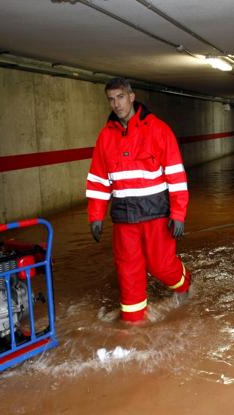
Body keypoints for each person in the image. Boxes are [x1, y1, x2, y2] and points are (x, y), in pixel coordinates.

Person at [85, 77, 190, 323]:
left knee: (161, 265)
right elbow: (99, 179)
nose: (116, 104)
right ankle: (133, 323)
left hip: (156, 214)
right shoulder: (105, 137)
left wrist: (178, 214)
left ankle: (185, 283)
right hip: (124, 218)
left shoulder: (159, 130)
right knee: (128, 271)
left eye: (120, 97)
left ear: (132, 97)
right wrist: (96, 216)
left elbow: (176, 176)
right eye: (111, 99)